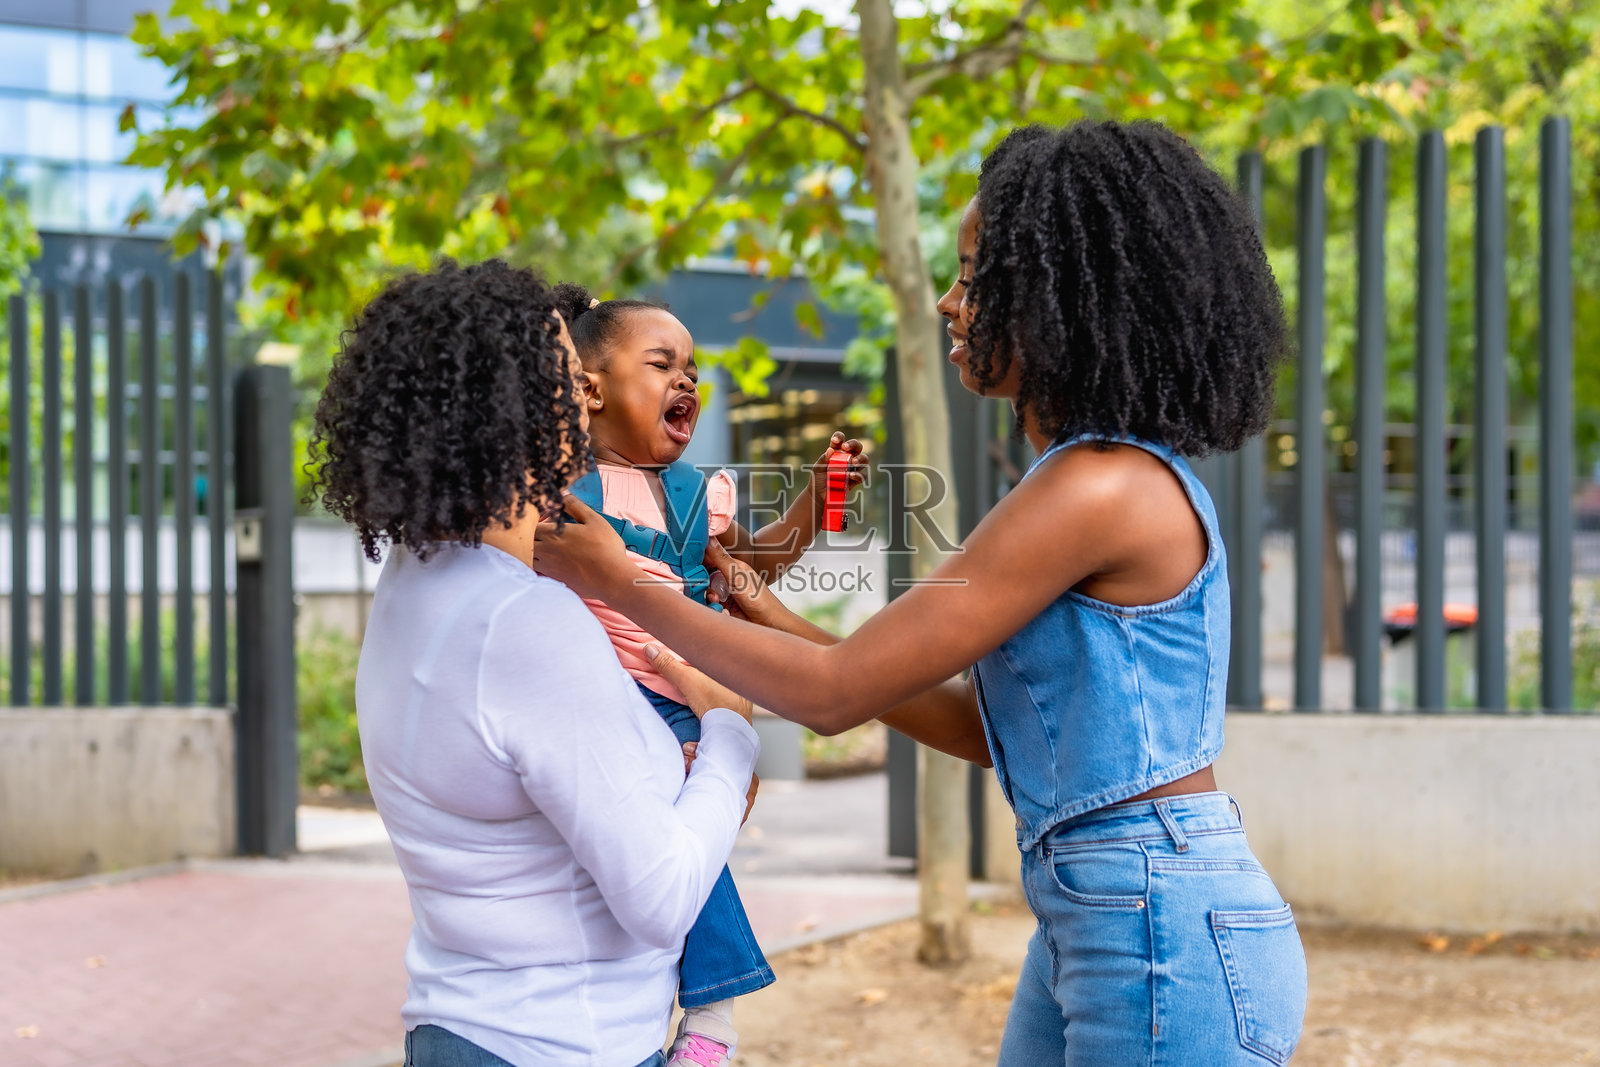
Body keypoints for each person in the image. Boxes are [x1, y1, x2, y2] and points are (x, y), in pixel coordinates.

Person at [534, 120, 1309, 1066]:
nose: (949, 302)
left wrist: (624, 582)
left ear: (1063, 298)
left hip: (1154, 912)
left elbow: (835, 694)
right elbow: (986, 727)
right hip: (1102, 902)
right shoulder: (1090, 480)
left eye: (976, 278)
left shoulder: (1097, 486)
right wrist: (757, 606)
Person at [308, 258, 761, 1067]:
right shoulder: (524, 623)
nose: (586, 395)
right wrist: (731, 731)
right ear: (503, 405)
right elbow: (660, 897)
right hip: (562, 1044)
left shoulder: (417, 576)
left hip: (459, 1027)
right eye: (566, 373)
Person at [544, 285, 864, 1065]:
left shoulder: (695, 493)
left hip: (686, 700)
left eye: (692, 368)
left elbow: (751, 574)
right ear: (588, 387)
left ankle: (712, 1019)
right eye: (662, 364)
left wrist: (816, 505)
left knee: (687, 850)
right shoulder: (558, 486)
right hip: (603, 695)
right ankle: (694, 1010)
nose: (686, 380)